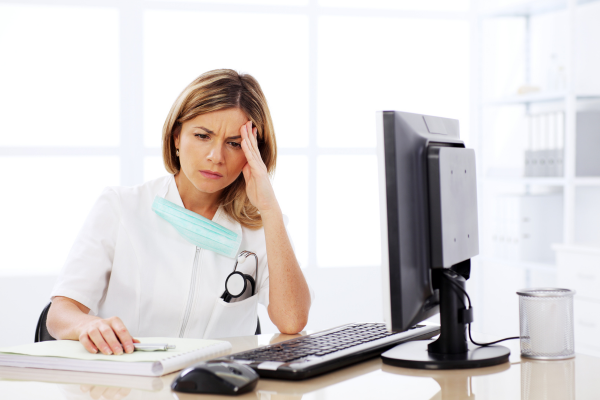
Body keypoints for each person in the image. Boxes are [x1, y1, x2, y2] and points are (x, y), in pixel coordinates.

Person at [47, 69, 312, 356]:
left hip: (217, 379)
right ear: (176, 137)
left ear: (254, 152)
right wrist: (87, 325)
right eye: (202, 136)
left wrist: (270, 210)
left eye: (235, 143)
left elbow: (292, 320)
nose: (216, 156)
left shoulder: (262, 227)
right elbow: (60, 313)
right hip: (130, 376)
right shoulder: (121, 206)